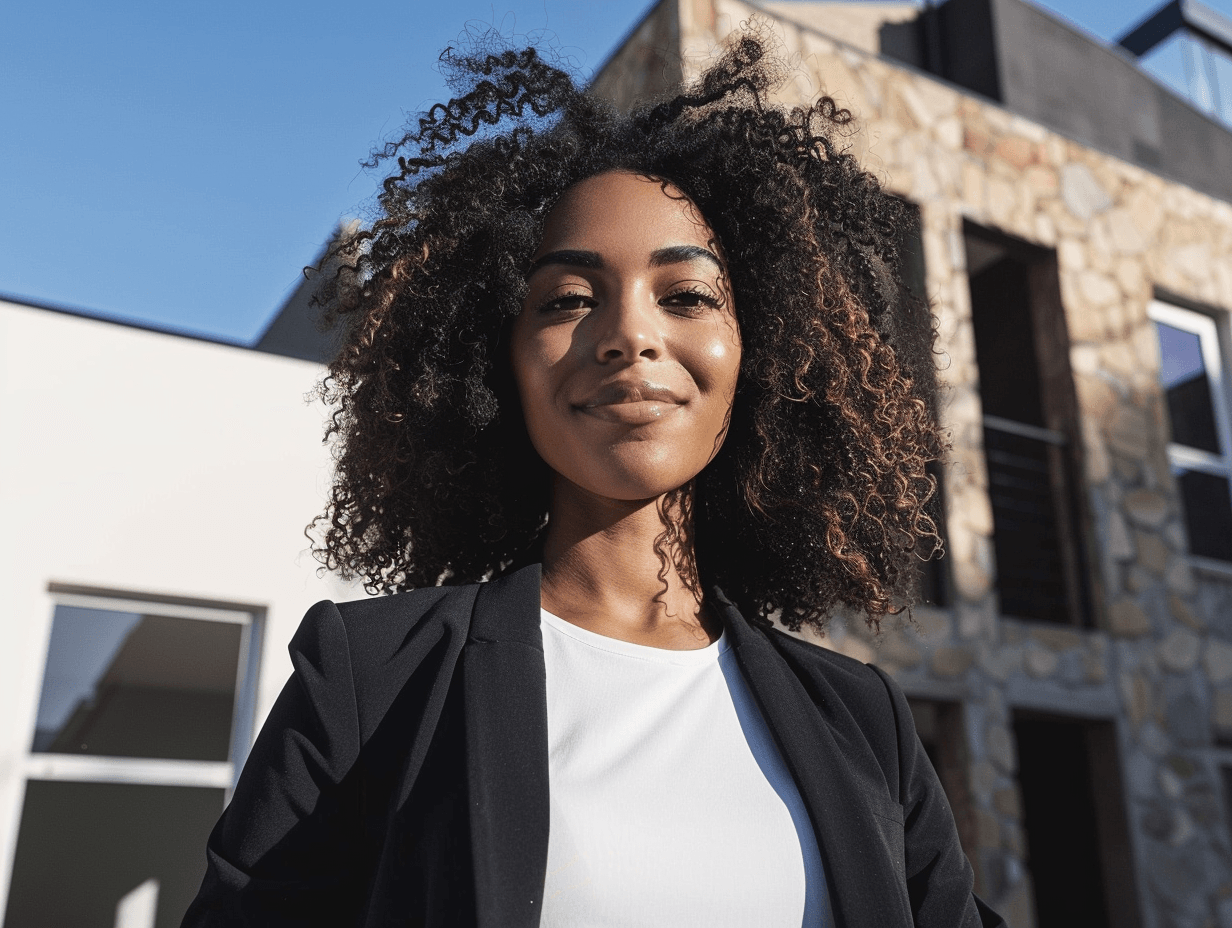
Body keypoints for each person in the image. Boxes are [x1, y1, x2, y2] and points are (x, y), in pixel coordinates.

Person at [183, 29, 1005, 928]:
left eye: (686, 296)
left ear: (762, 351)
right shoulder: (372, 679)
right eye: (569, 300)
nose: (629, 336)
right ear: (492, 362)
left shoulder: (864, 720)